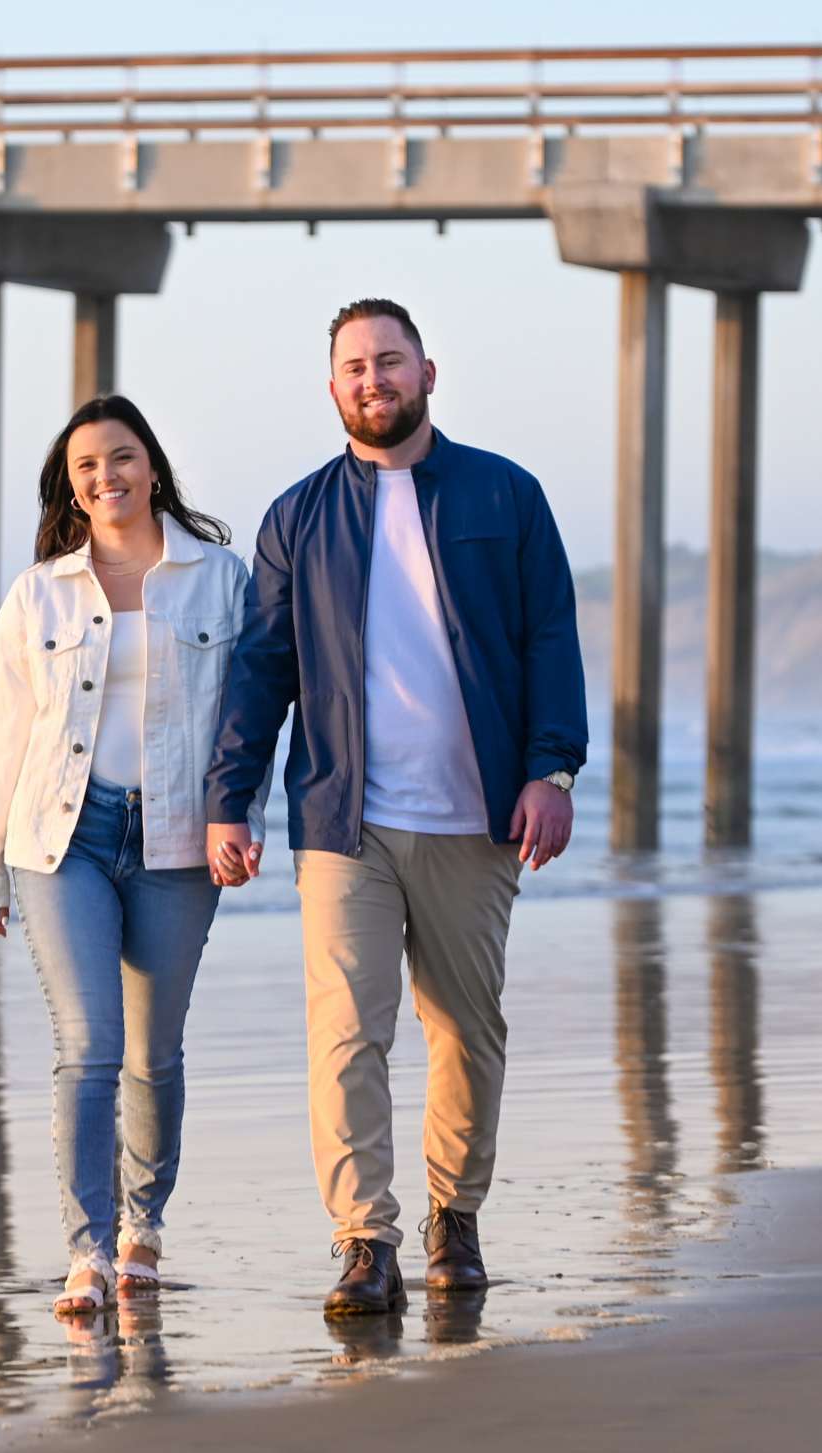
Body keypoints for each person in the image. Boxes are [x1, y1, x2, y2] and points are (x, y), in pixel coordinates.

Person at [203, 298, 587, 1315]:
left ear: (426, 373)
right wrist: (228, 797)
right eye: (353, 368)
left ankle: (453, 1217)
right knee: (346, 1032)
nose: (372, 380)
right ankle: (364, 1240)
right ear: (333, 389)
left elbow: (551, 633)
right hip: (344, 820)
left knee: (466, 1027)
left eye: (389, 361)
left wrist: (552, 769)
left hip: (475, 816)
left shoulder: (507, 495)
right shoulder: (297, 517)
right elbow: (262, 667)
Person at [0, 395, 259, 1317]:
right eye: (87, 466)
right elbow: (4, 734)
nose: (107, 477)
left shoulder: (219, 577)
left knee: (152, 1051)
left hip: (178, 839)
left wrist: (238, 813)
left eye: (122, 458)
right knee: (88, 1044)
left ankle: (144, 1229)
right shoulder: (39, 592)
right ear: (72, 485)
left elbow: (251, 720)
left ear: (153, 467)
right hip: (62, 837)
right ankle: (87, 1249)